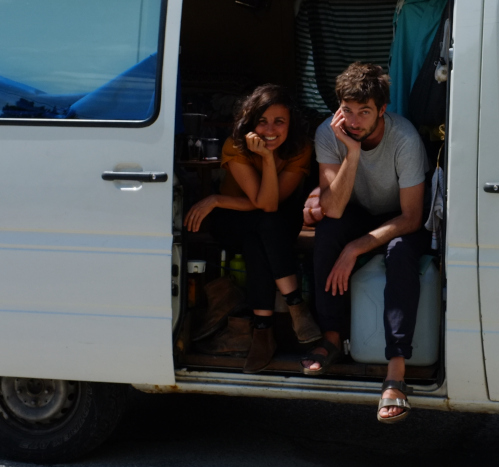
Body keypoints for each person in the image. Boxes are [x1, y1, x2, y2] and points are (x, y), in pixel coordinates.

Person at [305, 63, 429, 423]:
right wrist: (353, 152)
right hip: (358, 211)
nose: (354, 121)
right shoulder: (329, 133)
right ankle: (332, 337)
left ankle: (396, 371)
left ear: (382, 110)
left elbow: (412, 217)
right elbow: (333, 208)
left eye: (364, 112)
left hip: (402, 216)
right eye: (347, 110)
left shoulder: (404, 138)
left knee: (400, 252)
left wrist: (355, 248)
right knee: (328, 233)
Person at [184, 84, 318, 372]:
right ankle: (296, 306)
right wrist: (221, 200)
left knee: (262, 233)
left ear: (291, 123)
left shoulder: (300, 148)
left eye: (279, 121)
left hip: (277, 218)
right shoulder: (235, 145)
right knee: (261, 229)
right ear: (250, 122)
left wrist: (216, 198)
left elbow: (270, 203)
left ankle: (262, 333)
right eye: (262, 121)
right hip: (234, 219)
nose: (270, 129)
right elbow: (263, 203)